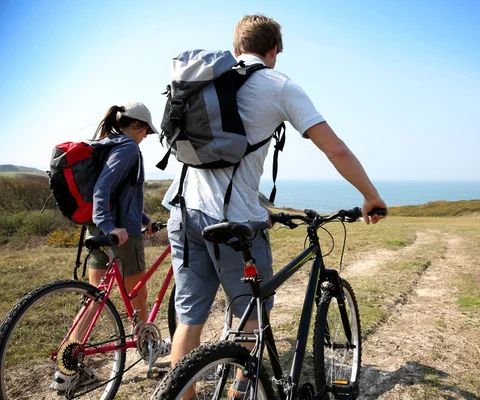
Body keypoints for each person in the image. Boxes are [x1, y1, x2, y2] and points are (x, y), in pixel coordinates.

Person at [164, 14, 387, 399]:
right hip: (232, 222)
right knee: (251, 316)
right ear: (273, 52)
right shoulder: (277, 84)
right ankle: (240, 393)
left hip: (183, 212)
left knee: (189, 321)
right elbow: (335, 148)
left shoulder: (205, 81)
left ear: (236, 49)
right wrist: (371, 195)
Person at [51, 102, 171, 393]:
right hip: (119, 236)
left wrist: (145, 220)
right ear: (139, 126)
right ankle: (149, 345)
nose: (145, 138)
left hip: (100, 232)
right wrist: (110, 226)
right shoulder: (129, 148)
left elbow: (123, 193)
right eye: (146, 133)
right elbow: (102, 190)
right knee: (138, 292)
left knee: (94, 301)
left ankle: (67, 371)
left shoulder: (108, 144)